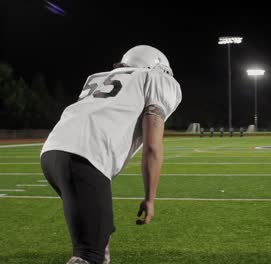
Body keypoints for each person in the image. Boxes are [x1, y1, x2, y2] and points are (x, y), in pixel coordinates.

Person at [40, 45, 182, 264]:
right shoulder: (153, 79)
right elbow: (152, 147)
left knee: (99, 238)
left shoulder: (99, 78)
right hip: (84, 157)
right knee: (89, 254)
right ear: (157, 68)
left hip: (52, 153)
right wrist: (150, 198)